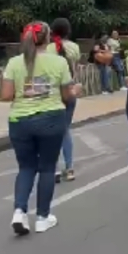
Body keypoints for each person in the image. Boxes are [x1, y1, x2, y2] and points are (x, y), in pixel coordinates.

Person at [0, 21, 76, 236]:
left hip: (20, 120)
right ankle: (42, 217)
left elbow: (6, 95)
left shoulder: (15, 63)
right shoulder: (58, 62)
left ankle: (19, 211)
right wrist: (74, 91)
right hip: (51, 118)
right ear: (48, 38)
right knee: (47, 168)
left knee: (25, 168)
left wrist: (26, 91)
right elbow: (66, 95)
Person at [50, 17, 82, 182]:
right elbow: (76, 68)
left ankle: (54, 169)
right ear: (68, 31)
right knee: (65, 130)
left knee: (51, 132)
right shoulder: (74, 47)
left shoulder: (48, 49)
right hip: (70, 91)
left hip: (53, 93)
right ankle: (69, 168)